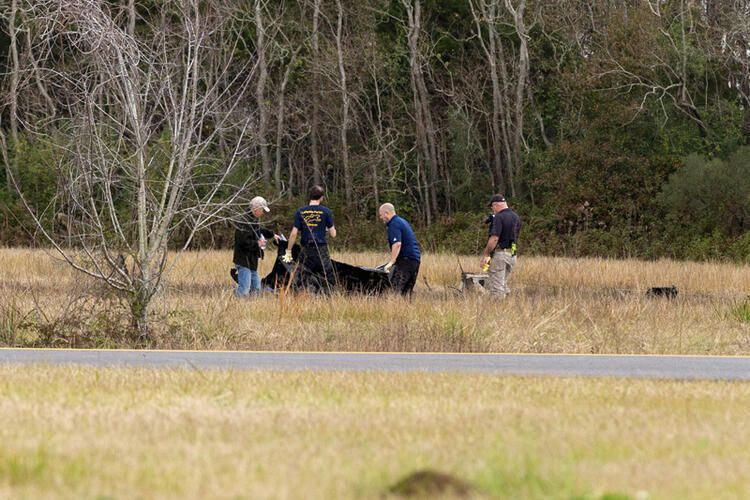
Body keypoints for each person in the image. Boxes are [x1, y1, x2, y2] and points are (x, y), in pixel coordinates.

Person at [282, 185, 337, 291]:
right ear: (322, 198)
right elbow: (333, 234)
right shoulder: (326, 212)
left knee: (302, 276)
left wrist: (288, 251)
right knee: (327, 276)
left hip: (306, 250)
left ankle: (304, 296)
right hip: (321, 250)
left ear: (310, 197)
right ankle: (327, 297)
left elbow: (294, 233)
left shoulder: (300, 212)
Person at [233, 196, 279, 297]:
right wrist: (257, 244)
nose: (263, 212)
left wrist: (272, 234)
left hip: (251, 261)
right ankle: (236, 305)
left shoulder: (253, 219)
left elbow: (259, 230)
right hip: (244, 261)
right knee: (244, 290)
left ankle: (250, 308)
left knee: (256, 289)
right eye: (262, 210)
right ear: (256, 208)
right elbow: (243, 241)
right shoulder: (244, 221)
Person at [480, 194, 521, 297]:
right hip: (512, 255)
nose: (492, 209)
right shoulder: (515, 217)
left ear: (495, 205)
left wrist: (486, 255)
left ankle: (498, 310)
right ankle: (509, 305)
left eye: (492, 207)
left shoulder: (499, 217)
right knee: (501, 284)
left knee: (496, 289)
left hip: (499, 255)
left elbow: (494, 238)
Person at [378, 203, 421, 297]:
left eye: (381, 215)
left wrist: (391, 262)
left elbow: (397, 244)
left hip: (405, 261)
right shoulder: (402, 221)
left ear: (386, 213)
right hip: (415, 261)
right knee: (406, 294)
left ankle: (393, 310)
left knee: (395, 290)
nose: (381, 218)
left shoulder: (393, 224)